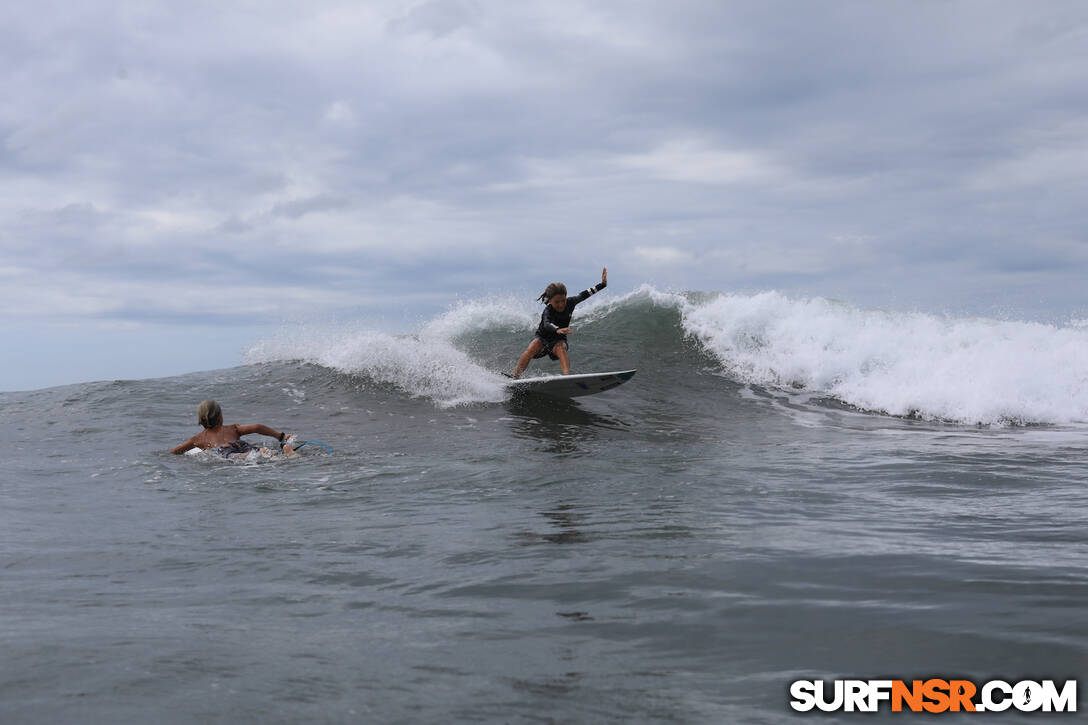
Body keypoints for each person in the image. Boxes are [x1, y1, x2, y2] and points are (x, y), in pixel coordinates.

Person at [513, 267, 607, 378]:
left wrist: (602, 284)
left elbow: (585, 294)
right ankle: (515, 377)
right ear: (550, 300)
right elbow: (547, 324)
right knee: (532, 347)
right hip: (542, 339)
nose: (561, 304)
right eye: (557, 302)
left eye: (563, 300)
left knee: (560, 347)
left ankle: (566, 378)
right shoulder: (548, 310)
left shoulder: (570, 302)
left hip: (558, 340)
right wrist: (557, 329)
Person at [170, 400, 297, 458]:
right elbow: (257, 427)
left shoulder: (197, 439)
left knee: (237, 456)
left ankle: (253, 454)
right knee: (257, 451)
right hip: (240, 444)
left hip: (223, 450)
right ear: (220, 417)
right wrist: (280, 436)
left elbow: (176, 451)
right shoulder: (233, 428)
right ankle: (284, 450)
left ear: (200, 420)